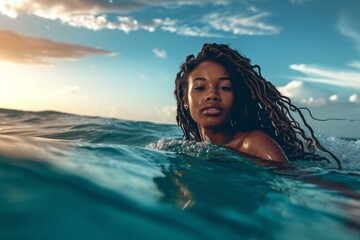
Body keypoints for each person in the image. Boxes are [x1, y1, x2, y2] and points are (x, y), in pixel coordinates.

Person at [174, 43, 341, 169]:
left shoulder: (253, 143)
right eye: (200, 88)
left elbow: (296, 181)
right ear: (185, 102)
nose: (212, 95)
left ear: (237, 99)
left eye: (224, 87)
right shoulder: (186, 150)